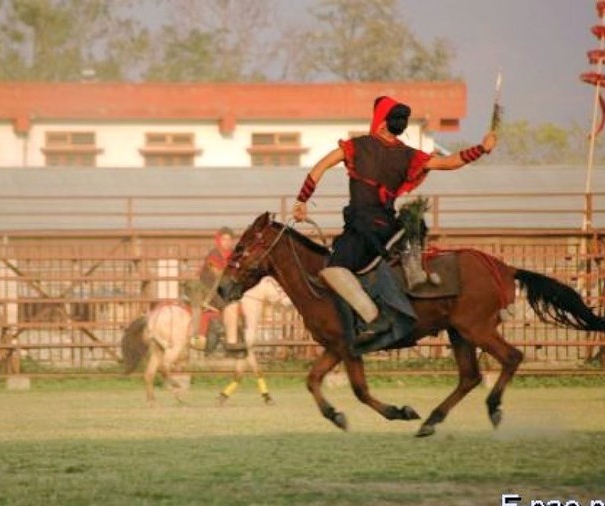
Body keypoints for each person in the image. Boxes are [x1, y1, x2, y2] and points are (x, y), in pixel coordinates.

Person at [293, 95, 497, 345]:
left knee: (333, 270)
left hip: (362, 229)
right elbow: (448, 162)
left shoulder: (356, 147)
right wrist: (481, 149)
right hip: (389, 228)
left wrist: (302, 200)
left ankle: (374, 318)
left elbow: (319, 167)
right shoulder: (409, 155)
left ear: (379, 122)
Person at [198, 226, 243, 351]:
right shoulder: (213, 254)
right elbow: (216, 273)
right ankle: (230, 341)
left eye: (229, 239)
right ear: (219, 240)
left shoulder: (234, 254)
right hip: (210, 289)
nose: (227, 242)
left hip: (227, 288)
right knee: (229, 306)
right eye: (224, 239)